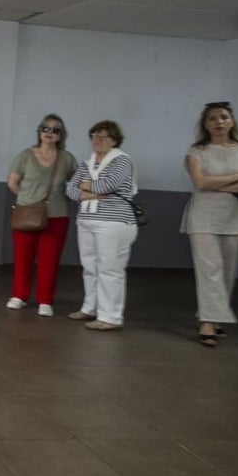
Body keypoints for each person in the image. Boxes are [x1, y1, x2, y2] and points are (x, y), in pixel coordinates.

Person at [181, 102, 238, 346]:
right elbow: (201, 183)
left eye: (224, 117)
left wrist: (220, 183)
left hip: (234, 216)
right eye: (212, 118)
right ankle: (207, 320)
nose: (219, 122)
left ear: (232, 121)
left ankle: (215, 317)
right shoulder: (197, 151)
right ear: (205, 124)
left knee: (227, 268)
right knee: (210, 268)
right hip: (203, 216)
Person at [65, 121, 139, 331]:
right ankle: (90, 307)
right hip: (87, 219)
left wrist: (86, 186)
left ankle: (110, 316)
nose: (97, 140)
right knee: (90, 266)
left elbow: (109, 185)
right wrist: (92, 192)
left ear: (114, 140)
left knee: (110, 269)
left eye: (103, 136)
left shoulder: (122, 160)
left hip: (114, 222)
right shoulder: (86, 162)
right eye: (94, 136)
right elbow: (70, 190)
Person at [6, 114, 78, 317]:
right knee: (23, 257)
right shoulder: (24, 156)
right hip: (26, 212)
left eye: (56, 129)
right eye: (46, 128)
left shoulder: (67, 158)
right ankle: (19, 295)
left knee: (50, 259)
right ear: (39, 131)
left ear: (61, 135)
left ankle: (45, 300)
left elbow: (75, 183)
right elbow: (12, 183)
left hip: (57, 214)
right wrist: (29, 199)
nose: (49, 132)